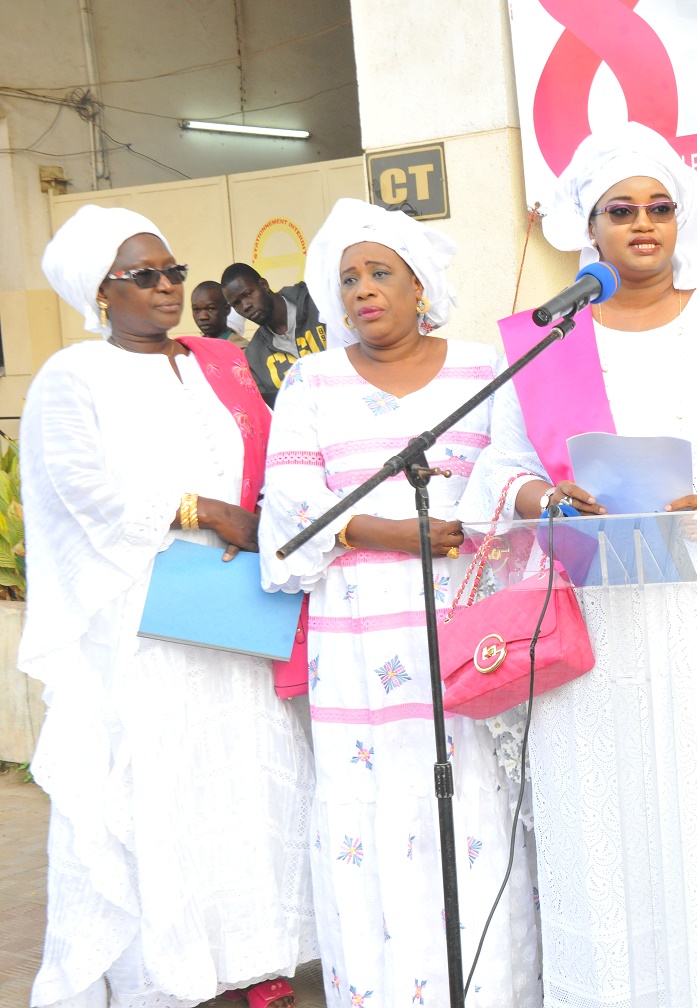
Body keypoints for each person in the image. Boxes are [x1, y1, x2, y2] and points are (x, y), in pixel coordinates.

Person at [473, 120, 697, 1006]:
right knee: (599, 817)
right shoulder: (545, 334)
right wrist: (544, 501)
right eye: (620, 210)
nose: (643, 224)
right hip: (591, 612)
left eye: (660, 208)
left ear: (684, 222)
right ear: (586, 227)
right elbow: (501, 464)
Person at [26, 205, 315, 1008]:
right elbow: (76, 489)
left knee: (251, 784)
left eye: (174, 272)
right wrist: (200, 510)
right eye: (143, 276)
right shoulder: (73, 375)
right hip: (145, 617)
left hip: (232, 609)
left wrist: (258, 518)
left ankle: (258, 959)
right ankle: (171, 969)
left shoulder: (210, 363)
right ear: (101, 292)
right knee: (169, 792)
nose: (167, 288)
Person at [258, 198, 541, 1008]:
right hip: (358, 645)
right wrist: (391, 530)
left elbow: (510, 474)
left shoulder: (484, 370)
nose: (361, 291)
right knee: (373, 816)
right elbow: (289, 510)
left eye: (380, 273)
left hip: (463, 630)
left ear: (422, 286)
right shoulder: (310, 381)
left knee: (470, 805)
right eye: (347, 280)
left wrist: (476, 517)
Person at [222, 262, 327, 406]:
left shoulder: (319, 306)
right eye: (236, 304)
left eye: (248, 294)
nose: (246, 306)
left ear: (263, 285)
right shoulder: (254, 356)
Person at [190, 278, 248, 347]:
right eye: (196, 309)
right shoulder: (191, 351)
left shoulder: (243, 350)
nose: (203, 316)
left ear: (227, 309)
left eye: (211, 308)